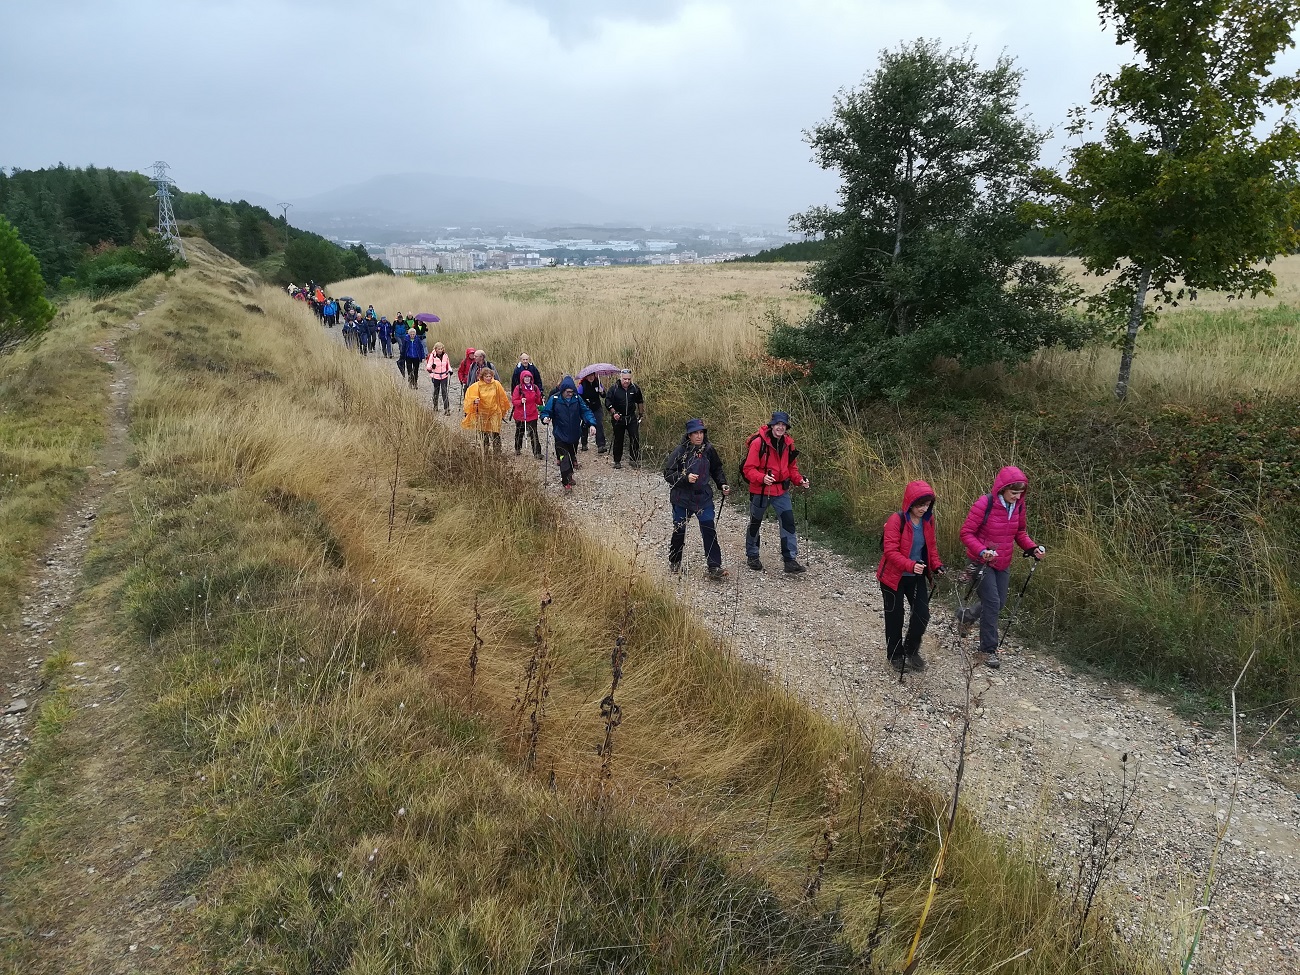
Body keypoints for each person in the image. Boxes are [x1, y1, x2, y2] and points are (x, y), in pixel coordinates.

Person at [958, 466, 1045, 669]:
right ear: (1002, 488)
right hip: (980, 562)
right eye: (1013, 492)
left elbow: (1020, 532)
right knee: (992, 603)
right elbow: (966, 533)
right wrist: (982, 551)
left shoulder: (1019, 507)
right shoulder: (985, 503)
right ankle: (987, 650)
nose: (1017, 496)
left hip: (1002, 562)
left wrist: (1032, 548)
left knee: (999, 602)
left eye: (1020, 493)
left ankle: (966, 616)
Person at [877, 480, 945, 673]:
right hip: (893, 577)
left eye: (927, 505)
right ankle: (895, 655)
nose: (924, 509)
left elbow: (930, 547)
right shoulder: (896, 520)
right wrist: (910, 565)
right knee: (895, 617)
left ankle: (911, 650)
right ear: (910, 503)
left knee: (922, 615)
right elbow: (890, 551)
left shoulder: (928, 521)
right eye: (920, 505)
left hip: (916, 576)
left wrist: (937, 565)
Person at [742, 411, 809, 574]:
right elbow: (748, 469)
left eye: (783, 425)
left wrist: (799, 480)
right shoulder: (758, 443)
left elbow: (791, 468)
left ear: (786, 427)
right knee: (755, 522)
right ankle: (752, 555)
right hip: (760, 489)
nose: (780, 427)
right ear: (772, 425)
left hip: (781, 491)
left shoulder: (788, 444)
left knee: (788, 522)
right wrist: (762, 478)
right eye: (777, 424)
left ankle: (790, 560)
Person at [663, 418, 730, 579]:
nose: (699, 436)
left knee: (709, 529)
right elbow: (668, 473)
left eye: (701, 432)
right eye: (695, 433)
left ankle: (714, 566)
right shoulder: (680, 451)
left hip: (703, 498)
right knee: (679, 530)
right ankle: (675, 561)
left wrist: (723, 484)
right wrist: (685, 478)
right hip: (682, 498)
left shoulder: (709, 450)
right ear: (688, 435)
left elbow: (716, 469)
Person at [540, 376, 596, 492]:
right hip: (560, 435)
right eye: (568, 392)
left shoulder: (577, 399)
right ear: (563, 390)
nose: (570, 394)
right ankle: (566, 483)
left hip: (575, 435)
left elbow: (586, 411)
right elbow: (546, 411)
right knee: (564, 458)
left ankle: (569, 475)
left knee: (571, 457)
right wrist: (545, 418)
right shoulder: (555, 399)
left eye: (572, 391)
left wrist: (592, 424)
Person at [462, 366, 510, 453]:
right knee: (483, 432)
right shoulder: (476, 386)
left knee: (495, 431)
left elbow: (502, 397)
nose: (488, 378)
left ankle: (497, 451)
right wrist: (474, 401)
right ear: (482, 377)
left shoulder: (496, 384)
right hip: (482, 413)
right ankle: (485, 450)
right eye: (486, 376)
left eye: (490, 376)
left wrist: (503, 409)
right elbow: (470, 397)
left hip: (495, 411)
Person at [606, 368, 644, 469]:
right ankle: (617, 461)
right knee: (618, 439)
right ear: (621, 378)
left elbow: (640, 401)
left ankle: (633, 460)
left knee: (635, 438)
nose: (627, 381)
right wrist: (614, 413)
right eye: (625, 379)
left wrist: (641, 413)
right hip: (618, 418)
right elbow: (608, 402)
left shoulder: (635, 388)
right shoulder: (614, 389)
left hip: (631, 417)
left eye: (628, 379)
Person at [511, 370, 544, 457]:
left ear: (531, 378)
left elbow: (538, 401)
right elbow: (514, 401)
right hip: (520, 415)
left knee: (534, 433)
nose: (527, 379)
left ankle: (537, 452)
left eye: (528, 377)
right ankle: (517, 448)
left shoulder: (535, 388)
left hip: (532, 414)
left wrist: (541, 400)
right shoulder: (518, 388)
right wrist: (521, 401)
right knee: (519, 433)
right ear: (522, 378)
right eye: (525, 377)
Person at [578, 374, 607, 453]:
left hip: (596, 407)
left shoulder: (598, 382)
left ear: (595, 376)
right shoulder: (582, 385)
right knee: (585, 425)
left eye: (592, 376)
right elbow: (578, 397)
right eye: (589, 376)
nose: (591, 377)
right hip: (586, 408)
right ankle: (584, 443)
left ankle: (601, 445)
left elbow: (604, 395)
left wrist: (602, 392)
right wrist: (585, 402)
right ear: (586, 376)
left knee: (599, 424)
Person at [425, 341, 452, 414]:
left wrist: (450, 370)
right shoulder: (432, 356)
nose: (440, 350)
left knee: (444, 391)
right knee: (436, 391)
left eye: (441, 349)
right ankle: (435, 406)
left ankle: (447, 409)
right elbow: (428, 365)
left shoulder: (445, 355)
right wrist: (431, 368)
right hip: (435, 376)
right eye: (439, 349)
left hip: (444, 375)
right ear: (435, 349)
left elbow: (448, 364)